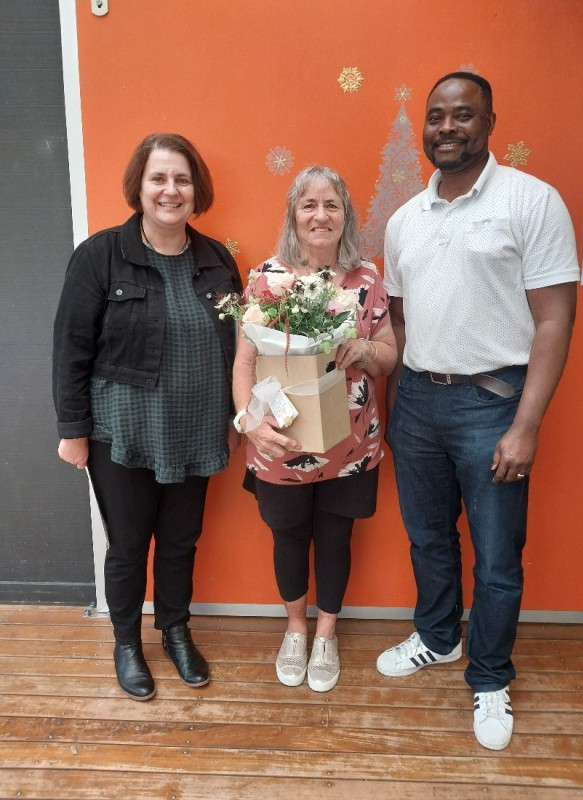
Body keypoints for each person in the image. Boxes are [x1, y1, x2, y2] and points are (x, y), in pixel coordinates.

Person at [379, 72, 579, 749]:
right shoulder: (405, 220)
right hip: (416, 404)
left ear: (490, 120)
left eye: (463, 115)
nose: (446, 127)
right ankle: (438, 637)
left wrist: (527, 425)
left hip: (494, 405)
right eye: (436, 116)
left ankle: (490, 676)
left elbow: (554, 321)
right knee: (428, 538)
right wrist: (386, 405)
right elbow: (400, 325)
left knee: (497, 558)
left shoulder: (532, 201)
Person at [53, 133, 242, 701]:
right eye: (159, 178)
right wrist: (72, 430)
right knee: (130, 544)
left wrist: (241, 418)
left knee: (182, 540)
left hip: (196, 427)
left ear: (196, 190)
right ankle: (127, 642)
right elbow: (70, 346)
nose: (170, 190)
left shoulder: (217, 261)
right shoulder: (100, 254)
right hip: (122, 432)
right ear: (140, 185)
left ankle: (175, 630)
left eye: (182, 179)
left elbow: (241, 349)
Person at [232, 166, 397, 692]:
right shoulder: (266, 278)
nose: (320, 215)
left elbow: (390, 357)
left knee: (335, 538)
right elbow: (244, 364)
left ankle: (326, 632)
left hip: (352, 445)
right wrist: (249, 423)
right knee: (287, 538)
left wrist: (366, 349)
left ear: (344, 214)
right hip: (281, 444)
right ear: (293, 215)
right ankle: (296, 629)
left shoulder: (366, 278)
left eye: (331, 205)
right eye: (309, 204)